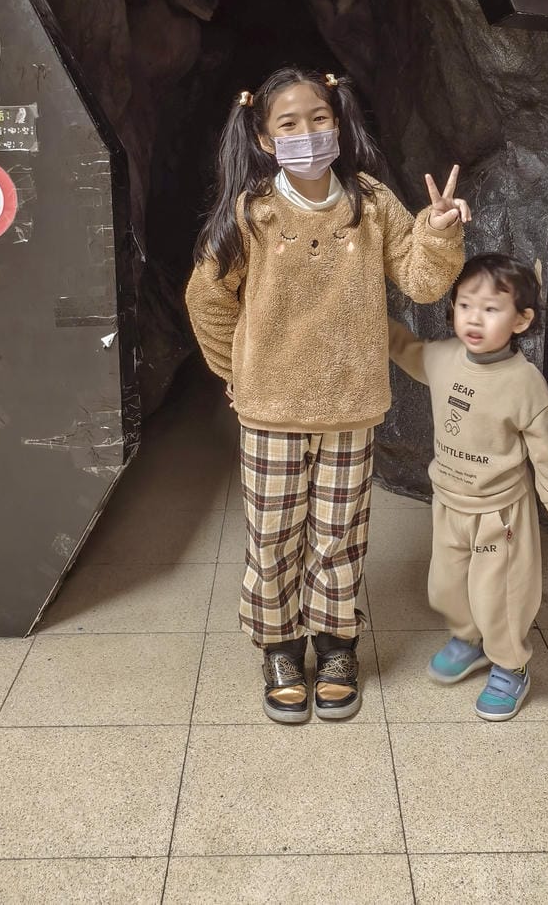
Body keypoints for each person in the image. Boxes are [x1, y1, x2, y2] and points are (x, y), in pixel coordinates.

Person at [185, 66, 468, 724]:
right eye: (289, 124)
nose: (308, 133)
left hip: (350, 405)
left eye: (319, 118)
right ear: (263, 137)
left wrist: (438, 230)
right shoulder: (252, 211)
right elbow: (208, 298)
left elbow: (422, 281)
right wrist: (237, 375)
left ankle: (336, 645)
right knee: (273, 536)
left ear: (338, 122)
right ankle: (280, 649)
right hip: (272, 411)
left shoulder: (369, 201)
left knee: (339, 535)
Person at [388, 252, 548, 720]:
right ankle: (469, 640)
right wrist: (368, 320)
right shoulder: (443, 358)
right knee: (446, 586)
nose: (474, 318)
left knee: (498, 594)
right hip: (449, 502)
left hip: (498, 513)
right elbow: (404, 347)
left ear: (521, 320)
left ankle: (510, 664)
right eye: (465, 305)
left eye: (490, 308)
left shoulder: (524, 383)